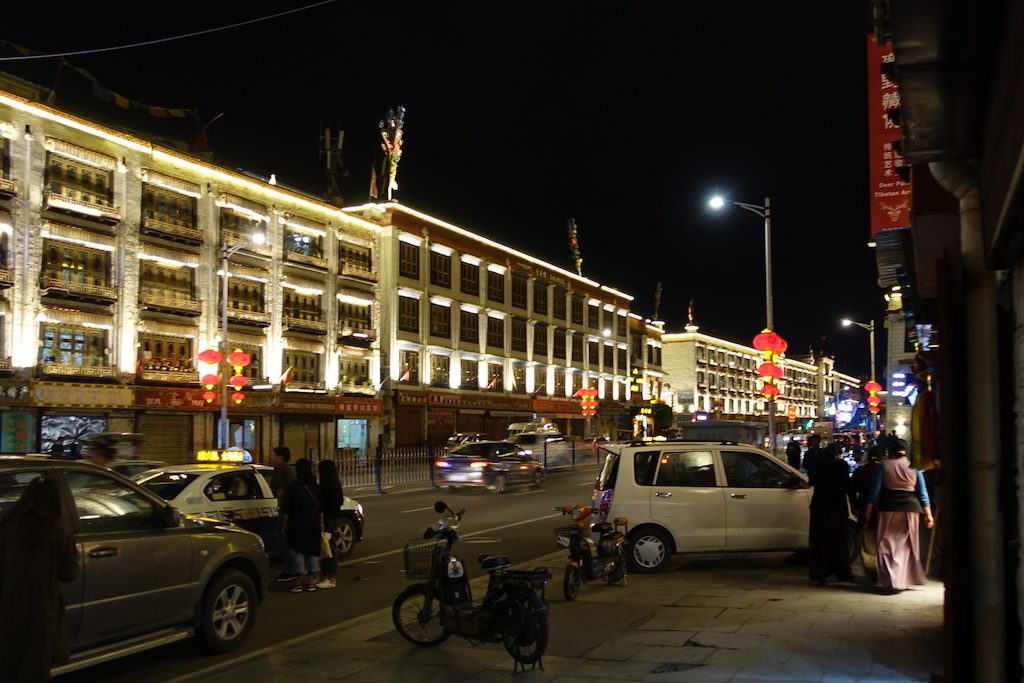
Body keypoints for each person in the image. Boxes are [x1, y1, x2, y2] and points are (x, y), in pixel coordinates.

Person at [0, 476, 80, 682]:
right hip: (42, 606)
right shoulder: (60, 532)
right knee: (34, 665)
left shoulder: (6, 527)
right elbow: (68, 574)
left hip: (6, 601)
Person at [865, 439, 934, 594]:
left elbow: (875, 490)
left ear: (891, 451)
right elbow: (922, 493)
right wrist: (928, 515)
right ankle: (903, 579)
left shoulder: (884, 465)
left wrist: (868, 509)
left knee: (886, 544)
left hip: (888, 508)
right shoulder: (914, 466)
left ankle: (892, 579)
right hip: (911, 508)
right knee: (907, 546)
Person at [806, 442, 854, 585]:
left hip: (819, 506)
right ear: (836, 454)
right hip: (837, 506)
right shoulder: (842, 465)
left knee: (819, 541)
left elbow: (812, 482)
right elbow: (847, 486)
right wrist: (854, 504)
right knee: (839, 541)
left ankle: (820, 573)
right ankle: (841, 572)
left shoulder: (816, 465)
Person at [280, 458, 323, 593]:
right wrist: (321, 523)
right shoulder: (315, 486)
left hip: (297, 523)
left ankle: (298, 582)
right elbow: (321, 508)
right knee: (312, 551)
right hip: (313, 524)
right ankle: (311, 581)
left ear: (297, 470)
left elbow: (286, 509)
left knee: (297, 551)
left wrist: (284, 525)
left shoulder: (293, 487)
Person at [849, 445, 884, 580]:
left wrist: (854, 507)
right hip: (882, 510)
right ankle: (883, 567)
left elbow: (851, 490)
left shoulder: (861, 471)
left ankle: (872, 570)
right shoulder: (884, 471)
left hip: (864, 509)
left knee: (867, 541)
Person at [269, 446, 297, 582]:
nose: (271, 459)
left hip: (286, 510)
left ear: (280, 458)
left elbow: (280, 490)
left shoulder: (280, 469)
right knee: (289, 540)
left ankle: (290, 570)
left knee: (284, 539)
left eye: (273, 456)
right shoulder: (290, 469)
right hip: (293, 509)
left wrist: (279, 507)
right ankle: (294, 568)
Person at [317, 459, 344, 589]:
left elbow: (326, 505)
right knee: (326, 546)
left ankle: (331, 577)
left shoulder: (327, 487)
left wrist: (323, 520)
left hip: (328, 519)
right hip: (333, 518)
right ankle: (326, 575)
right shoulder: (336, 485)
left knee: (329, 547)